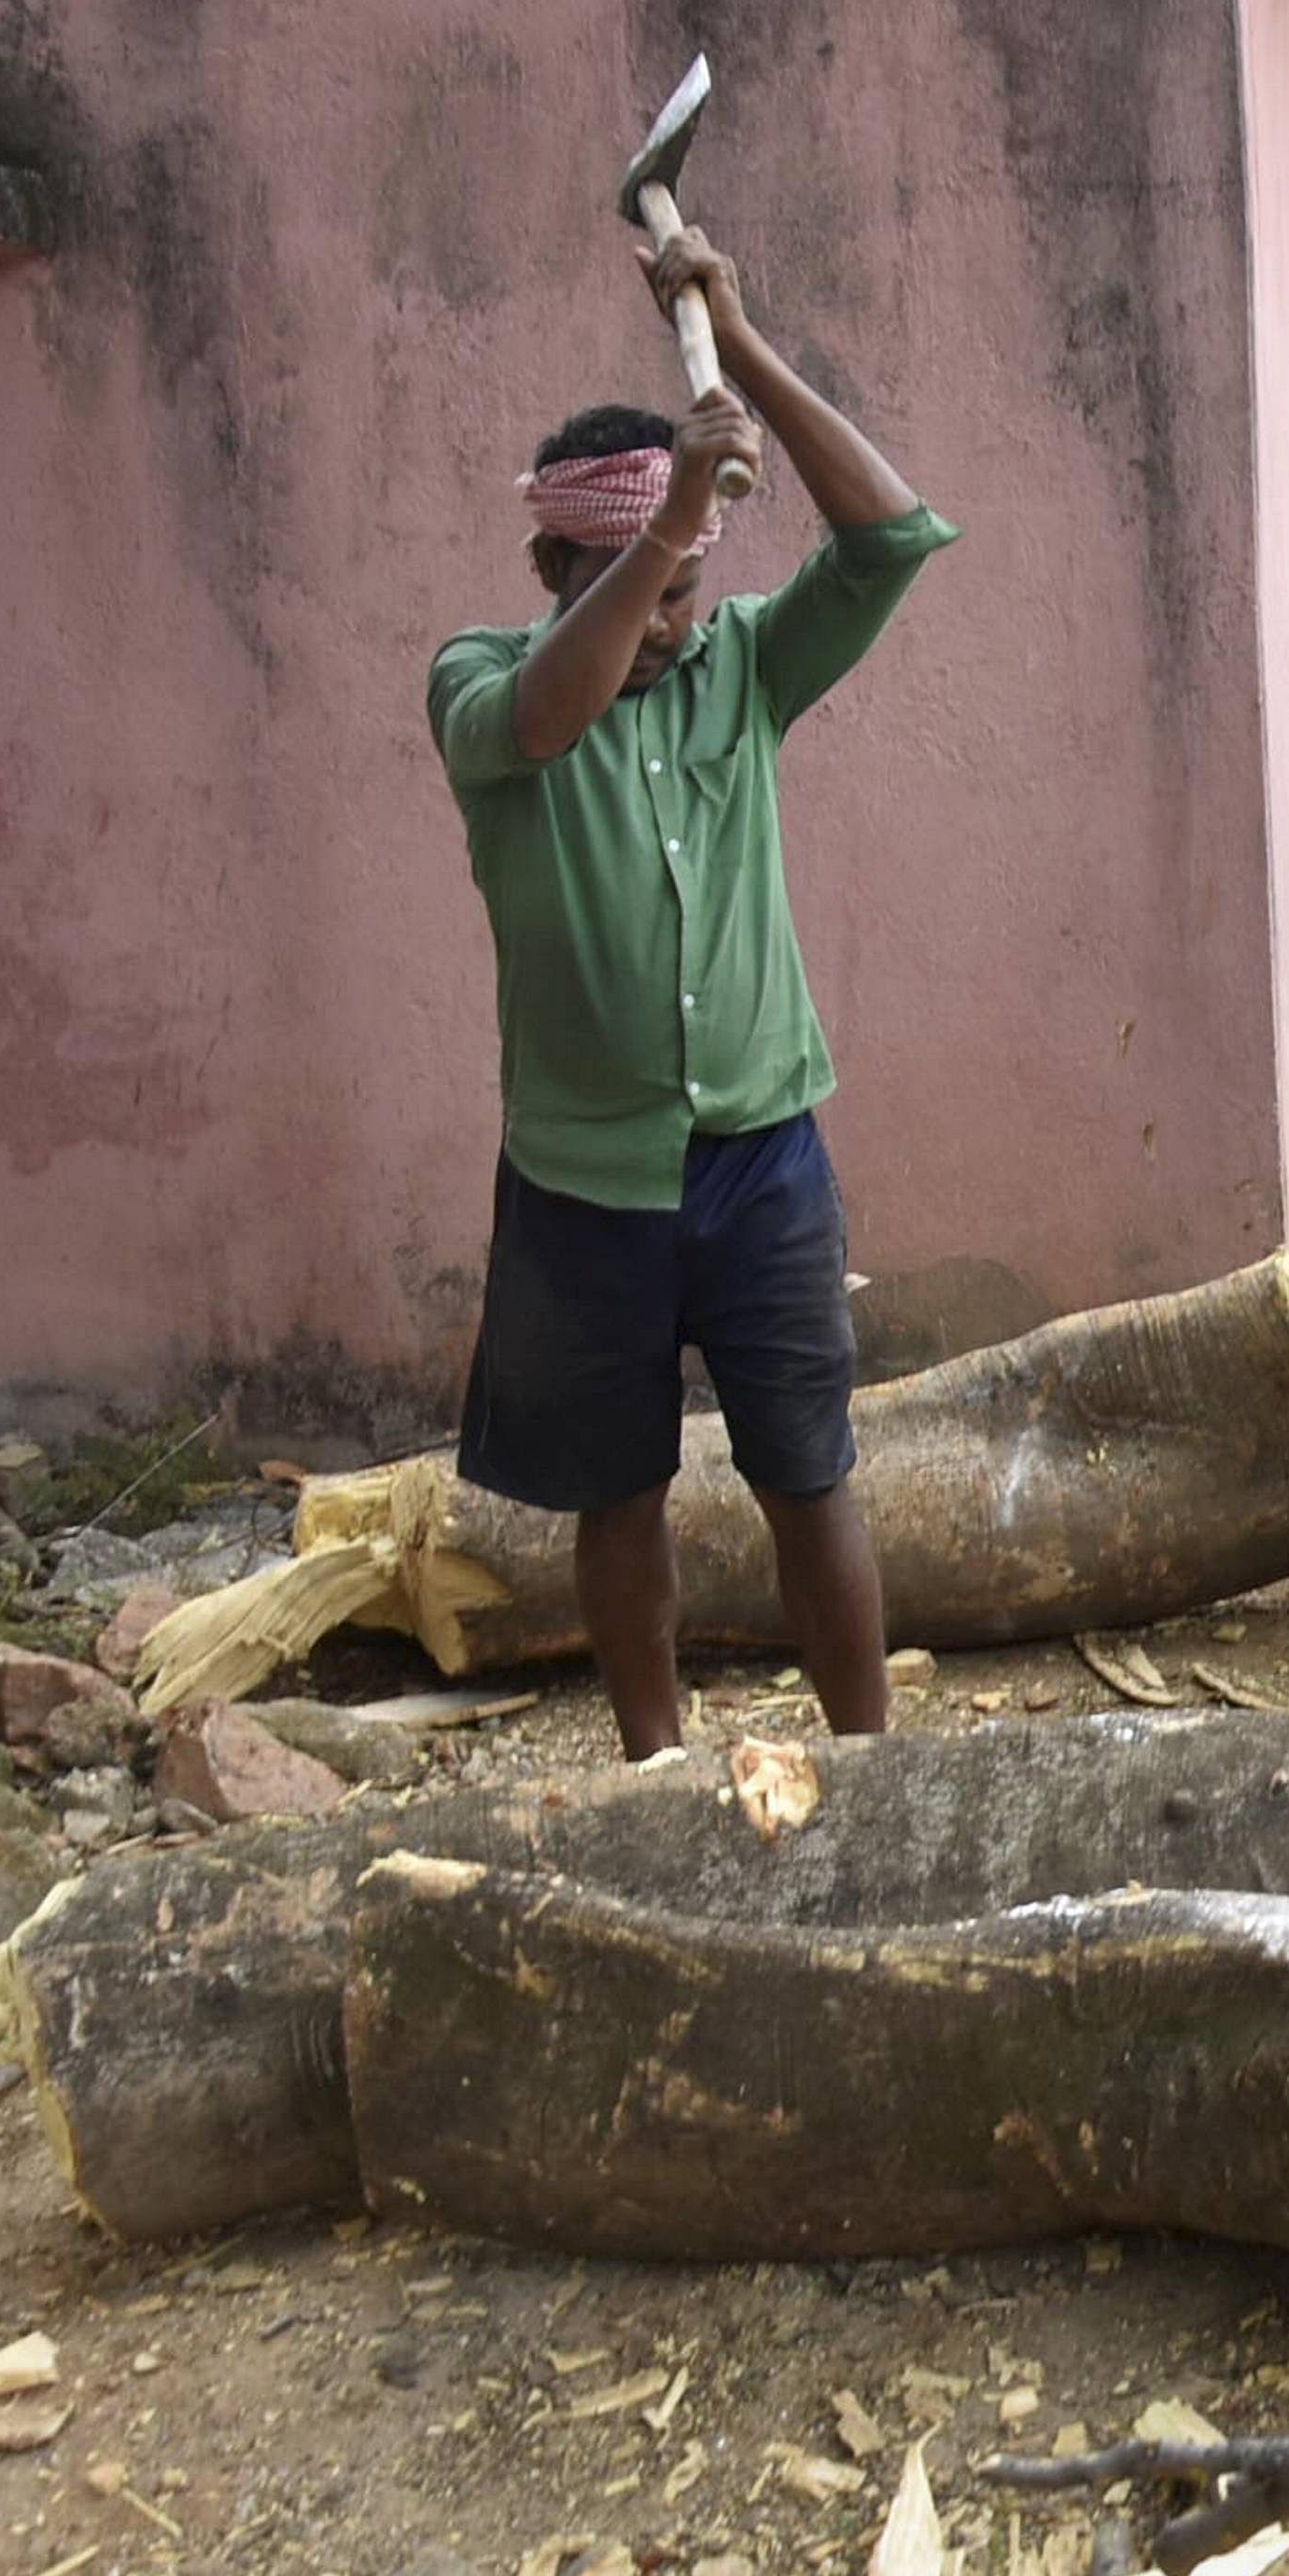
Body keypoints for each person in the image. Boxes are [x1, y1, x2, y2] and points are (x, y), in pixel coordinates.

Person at [427, 226, 955, 1760]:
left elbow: (892, 538)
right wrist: (666, 533)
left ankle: (864, 1770)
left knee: (811, 1473)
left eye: (689, 583)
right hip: (581, 1179)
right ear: (565, 569)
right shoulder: (479, 679)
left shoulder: (740, 664)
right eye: (644, 584)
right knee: (620, 1492)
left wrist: (741, 330)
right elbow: (541, 714)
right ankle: (657, 1773)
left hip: (765, 1158)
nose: (677, 618)